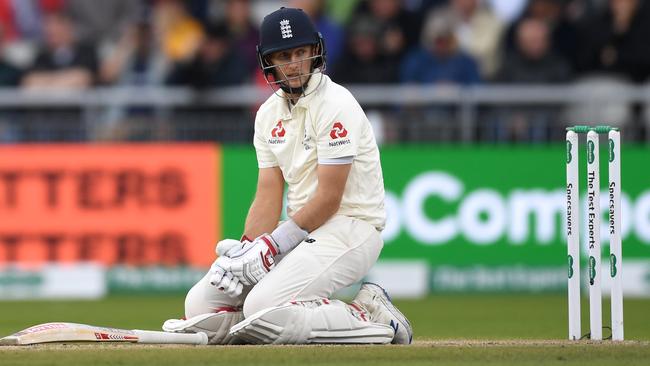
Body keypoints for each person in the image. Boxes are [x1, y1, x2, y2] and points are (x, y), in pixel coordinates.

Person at [162, 7, 412, 345]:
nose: (293, 63)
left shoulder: (337, 103)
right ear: (269, 61)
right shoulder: (267, 115)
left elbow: (329, 197)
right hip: (300, 232)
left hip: (352, 228)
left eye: (300, 53)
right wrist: (247, 250)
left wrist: (271, 245)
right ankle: (260, 323)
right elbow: (268, 194)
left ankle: (370, 312)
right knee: (200, 303)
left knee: (262, 304)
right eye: (283, 56)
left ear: (314, 52)